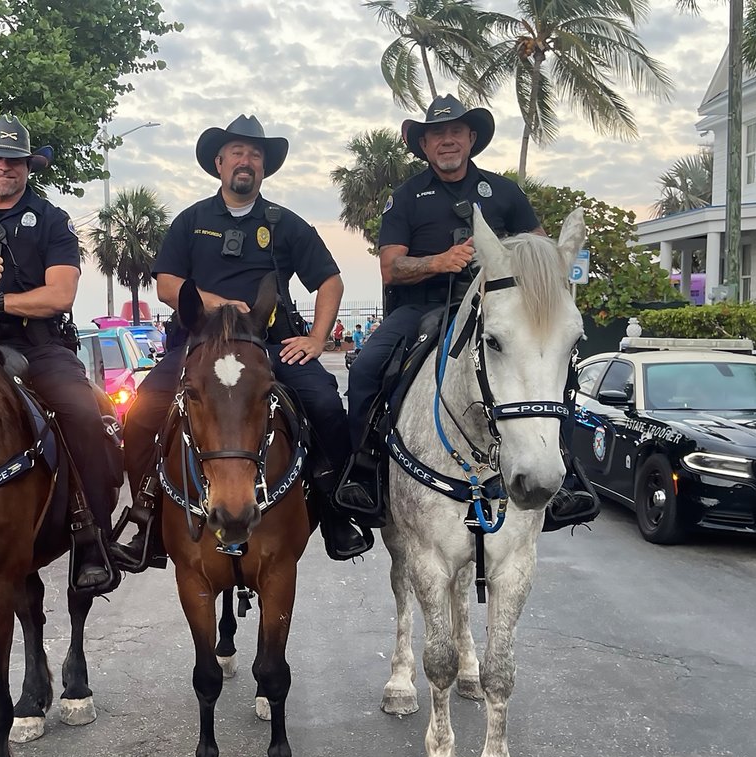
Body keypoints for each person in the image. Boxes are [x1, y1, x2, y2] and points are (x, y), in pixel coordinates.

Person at [109, 114, 372, 568]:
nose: (246, 161)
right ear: (219, 162)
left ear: (264, 167)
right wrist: (216, 304)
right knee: (141, 416)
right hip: (199, 349)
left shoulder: (286, 224)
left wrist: (315, 337)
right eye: (237, 152)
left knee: (326, 402)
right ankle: (146, 516)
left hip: (269, 346)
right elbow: (168, 283)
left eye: (255, 154)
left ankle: (334, 506)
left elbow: (330, 281)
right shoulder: (191, 221)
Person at [337, 94, 598, 530]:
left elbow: (541, 253)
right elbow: (390, 266)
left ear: (471, 138)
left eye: (455, 131)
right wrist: (438, 261)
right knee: (366, 367)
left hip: (498, 308)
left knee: (550, 367)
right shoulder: (405, 198)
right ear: (424, 144)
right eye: (437, 133)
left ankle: (565, 472)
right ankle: (363, 472)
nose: (447, 141)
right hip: (423, 308)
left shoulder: (504, 192)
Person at [0, 114, 119, 592]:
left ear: (28, 169)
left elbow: (60, 294)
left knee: (81, 415)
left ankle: (92, 535)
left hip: (38, 346)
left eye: (15, 163)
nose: (4, 169)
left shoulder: (52, 221)